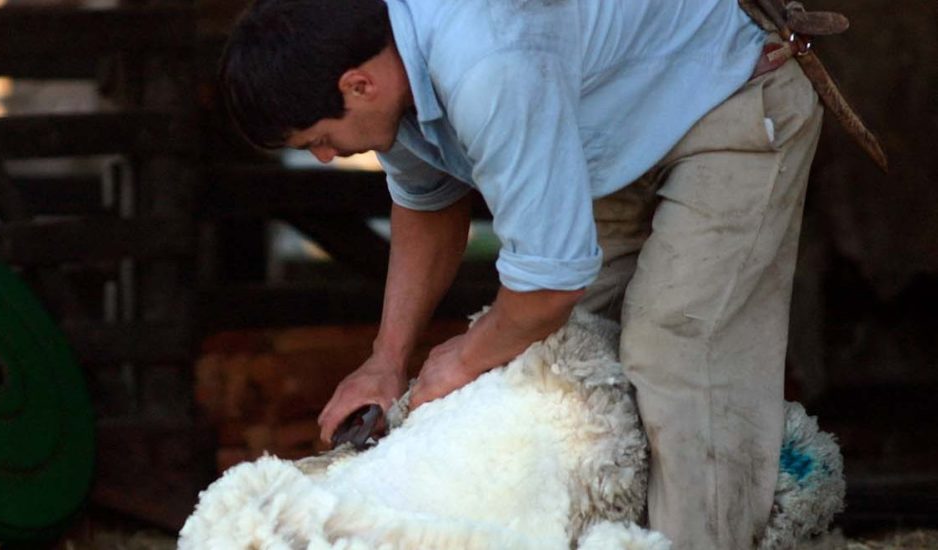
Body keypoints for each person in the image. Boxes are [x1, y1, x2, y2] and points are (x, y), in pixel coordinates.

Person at [218, 0, 822, 546]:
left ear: (360, 84)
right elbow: (429, 206)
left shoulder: (488, 62)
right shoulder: (382, 62)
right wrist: (386, 360)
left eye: (322, 139)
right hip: (610, 128)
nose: (327, 156)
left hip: (727, 96)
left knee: (677, 348)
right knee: (560, 361)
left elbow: (548, 286)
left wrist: (462, 356)